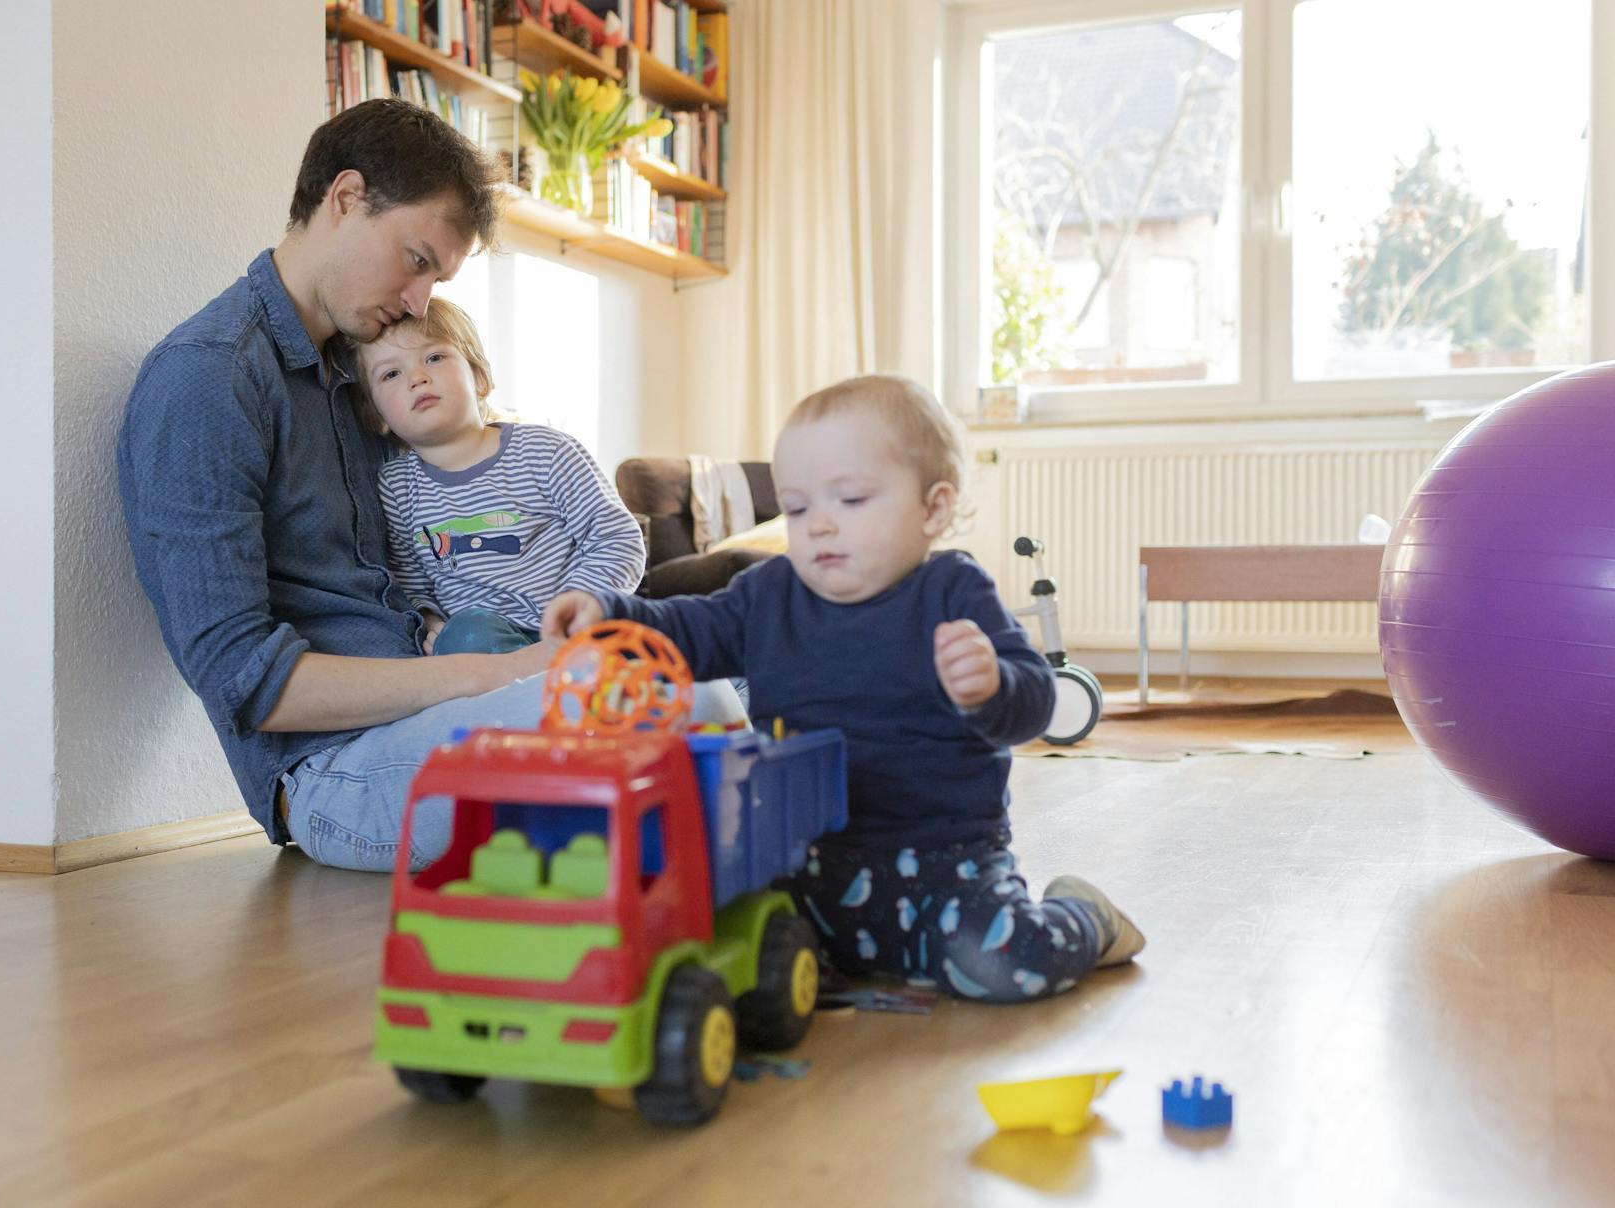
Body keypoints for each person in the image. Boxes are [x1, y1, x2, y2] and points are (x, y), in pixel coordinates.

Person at [542, 375, 1145, 1003]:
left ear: (933, 510)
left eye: (851, 499)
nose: (819, 526)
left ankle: (1083, 916)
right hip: (800, 865)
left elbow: (1036, 703)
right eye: (797, 508)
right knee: (711, 945)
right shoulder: (769, 594)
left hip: (946, 867)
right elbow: (687, 628)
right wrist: (610, 615)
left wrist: (991, 684)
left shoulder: (953, 592)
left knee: (1004, 964)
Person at [117, 99, 554, 872]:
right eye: (417, 259)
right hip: (332, 771)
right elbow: (244, 680)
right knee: (639, 725)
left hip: (436, 710)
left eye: (436, 279)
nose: (420, 302)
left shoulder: (370, 373)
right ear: (346, 197)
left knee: (710, 690)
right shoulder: (208, 378)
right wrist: (489, 674)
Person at [355, 296, 646, 657]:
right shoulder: (396, 486)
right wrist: (429, 619)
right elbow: (410, 576)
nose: (417, 377)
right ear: (377, 416)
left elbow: (617, 539)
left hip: (575, 631)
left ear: (479, 378)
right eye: (391, 374)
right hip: (483, 648)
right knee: (462, 638)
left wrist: (580, 607)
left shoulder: (545, 451)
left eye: (435, 357)